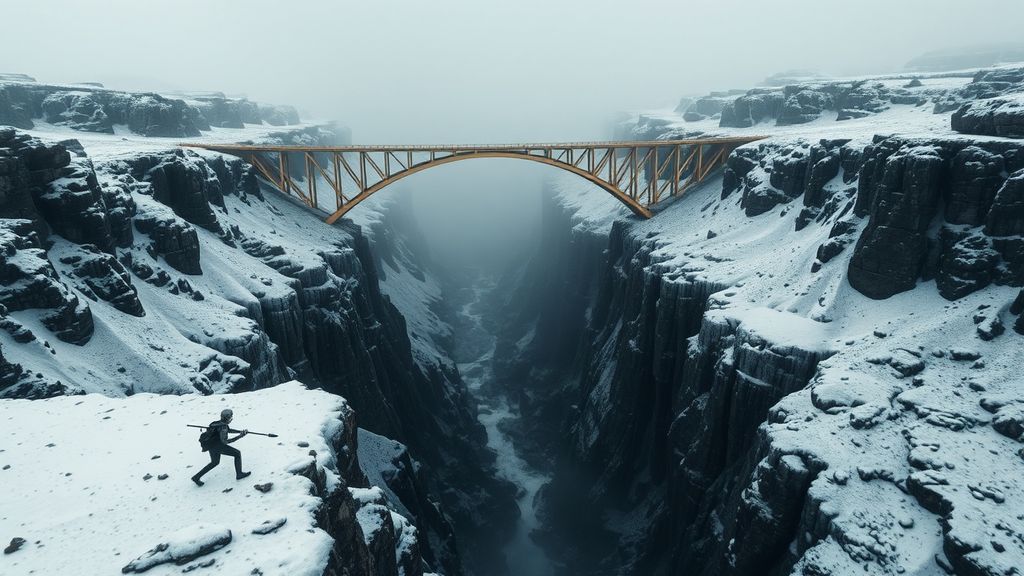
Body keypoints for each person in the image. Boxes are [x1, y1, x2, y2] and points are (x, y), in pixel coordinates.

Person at [191, 409, 251, 486]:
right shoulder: (223, 427)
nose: (231, 418)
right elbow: (225, 442)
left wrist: (240, 431)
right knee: (237, 453)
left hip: (211, 445)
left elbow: (228, 430)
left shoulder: (216, 423)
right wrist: (240, 436)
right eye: (230, 417)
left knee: (214, 462)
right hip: (218, 446)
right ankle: (239, 474)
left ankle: (196, 477)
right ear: (227, 418)